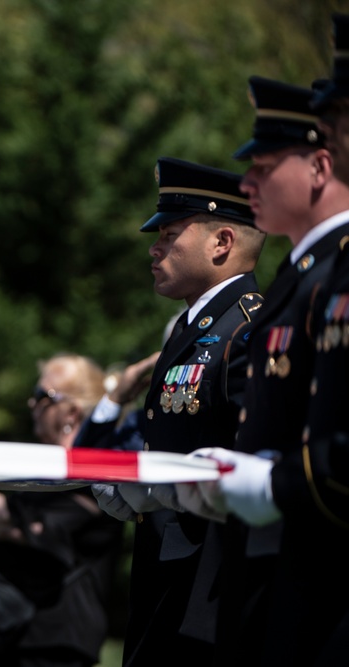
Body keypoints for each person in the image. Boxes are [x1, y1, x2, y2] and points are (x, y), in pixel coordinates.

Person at [176, 74, 349, 667]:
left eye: (267, 165)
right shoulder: (301, 276)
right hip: (279, 564)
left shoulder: (332, 272)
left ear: (319, 168)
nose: (248, 181)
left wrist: (272, 483)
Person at [78, 156, 266, 666]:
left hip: (212, 582)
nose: (154, 248)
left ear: (221, 243)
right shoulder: (191, 329)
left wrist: (163, 489)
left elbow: (256, 457)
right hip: (166, 573)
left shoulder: (248, 331)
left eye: (170, 233)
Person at [0, 353, 124, 667]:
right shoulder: (48, 468)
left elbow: (10, 524)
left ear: (71, 411)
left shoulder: (91, 474)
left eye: (42, 397)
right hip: (4, 636)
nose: (32, 405)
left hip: (53, 644)